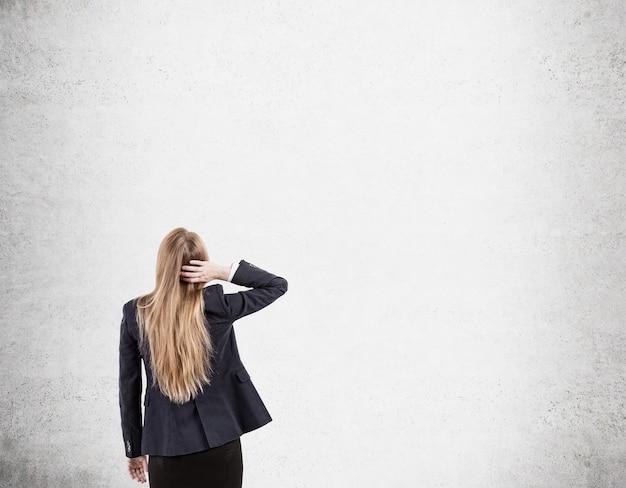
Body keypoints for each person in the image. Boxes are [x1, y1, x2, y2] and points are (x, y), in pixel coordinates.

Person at [119, 228, 288, 487]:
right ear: (202, 265)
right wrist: (223, 271)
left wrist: (133, 448)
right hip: (221, 441)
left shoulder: (136, 313)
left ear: (162, 265)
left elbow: (129, 388)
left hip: (165, 445)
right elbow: (277, 284)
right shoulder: (218, 305)